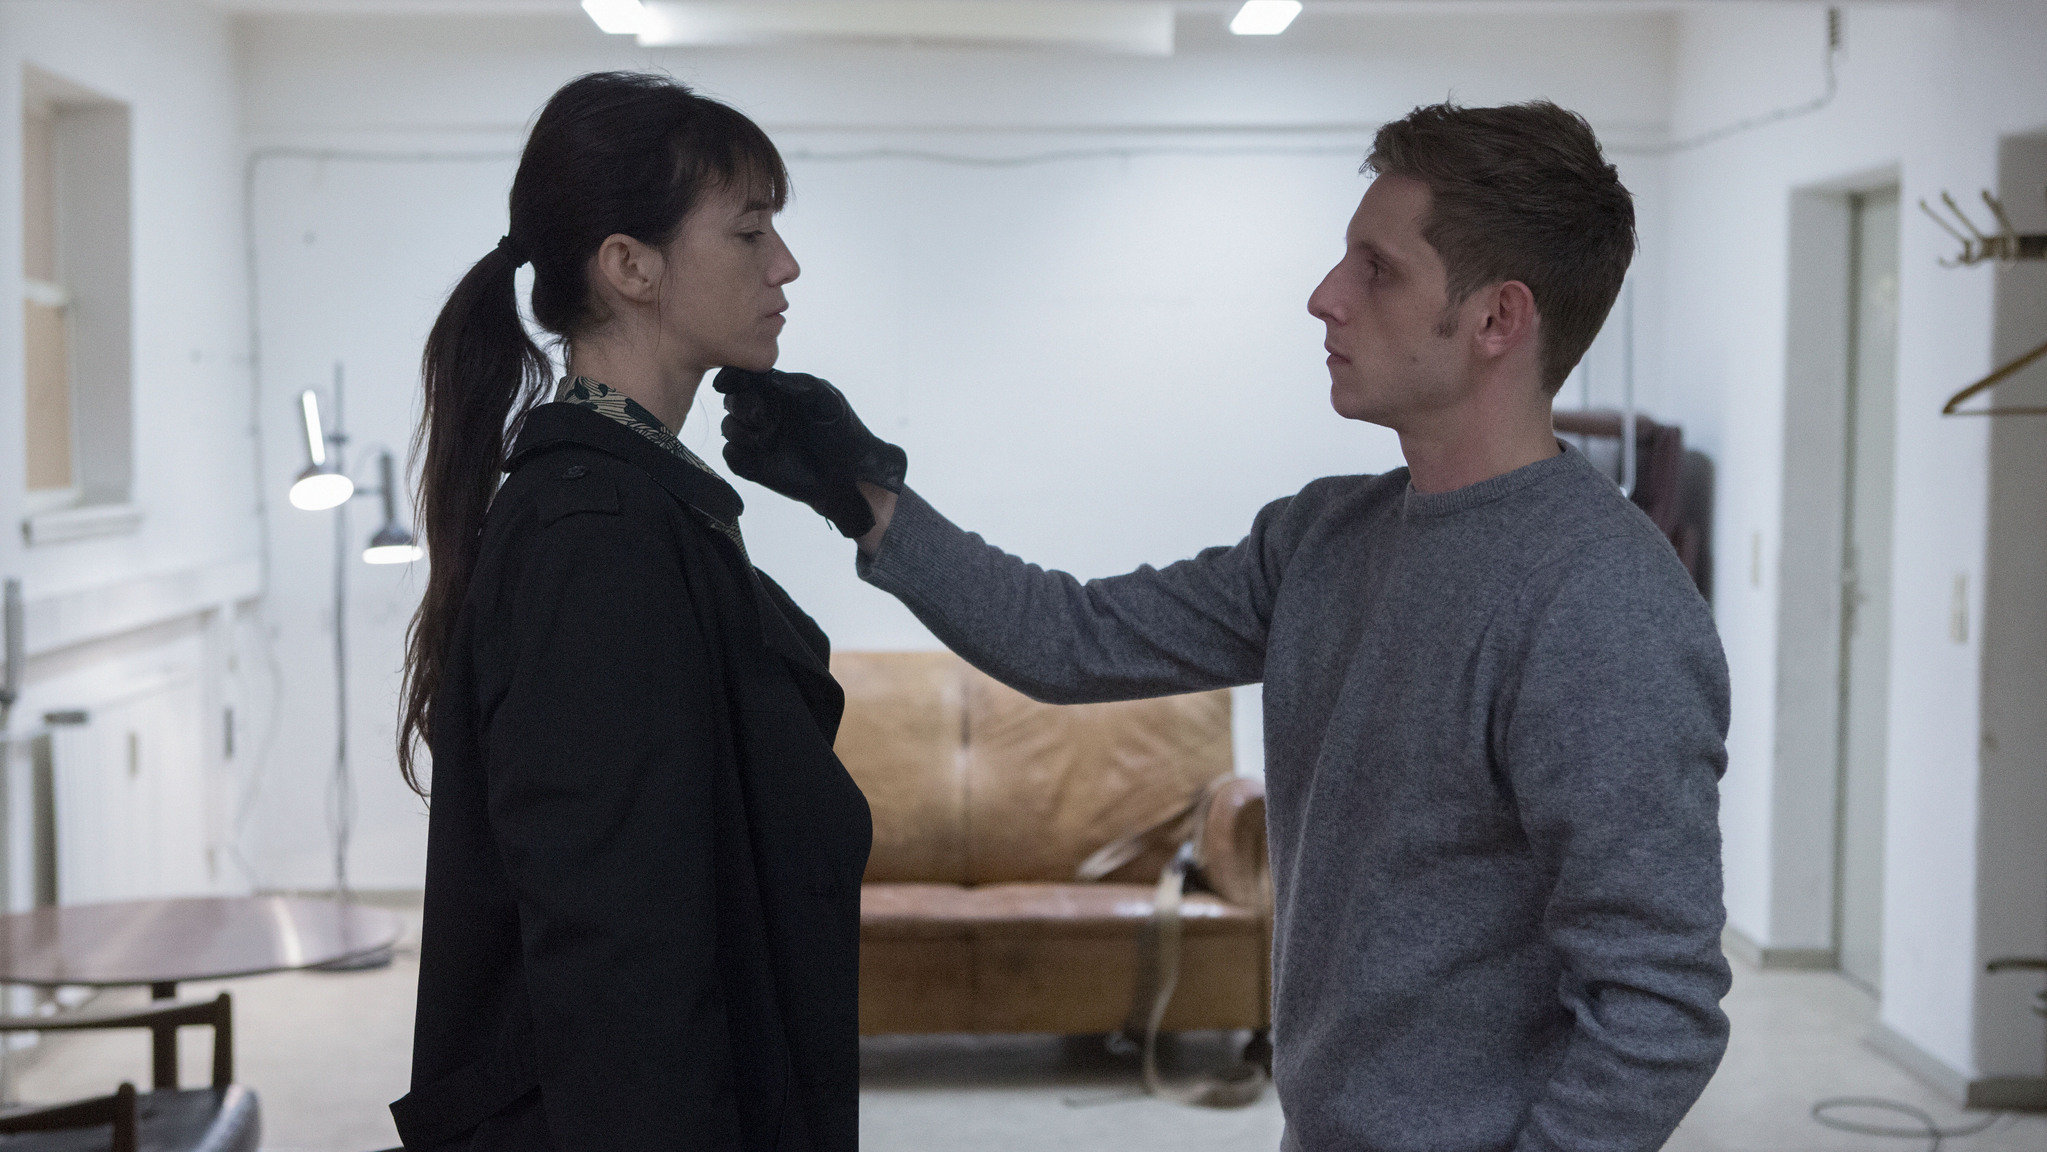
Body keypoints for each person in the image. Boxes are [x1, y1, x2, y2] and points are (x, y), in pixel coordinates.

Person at [716, 101, 1732, 1152]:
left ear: (1495, 321)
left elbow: (1658, 1007)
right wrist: (864, 499)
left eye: (1377, 270)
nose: (1324, 296)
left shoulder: (1598, 603)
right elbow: (1070, 638)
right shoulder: (1325, 536)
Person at [391, 71, 878, 1151]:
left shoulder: (633, 501)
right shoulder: (595, 535)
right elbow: (618, 959)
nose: (785, 265)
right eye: (749, 232)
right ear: (630, 266)